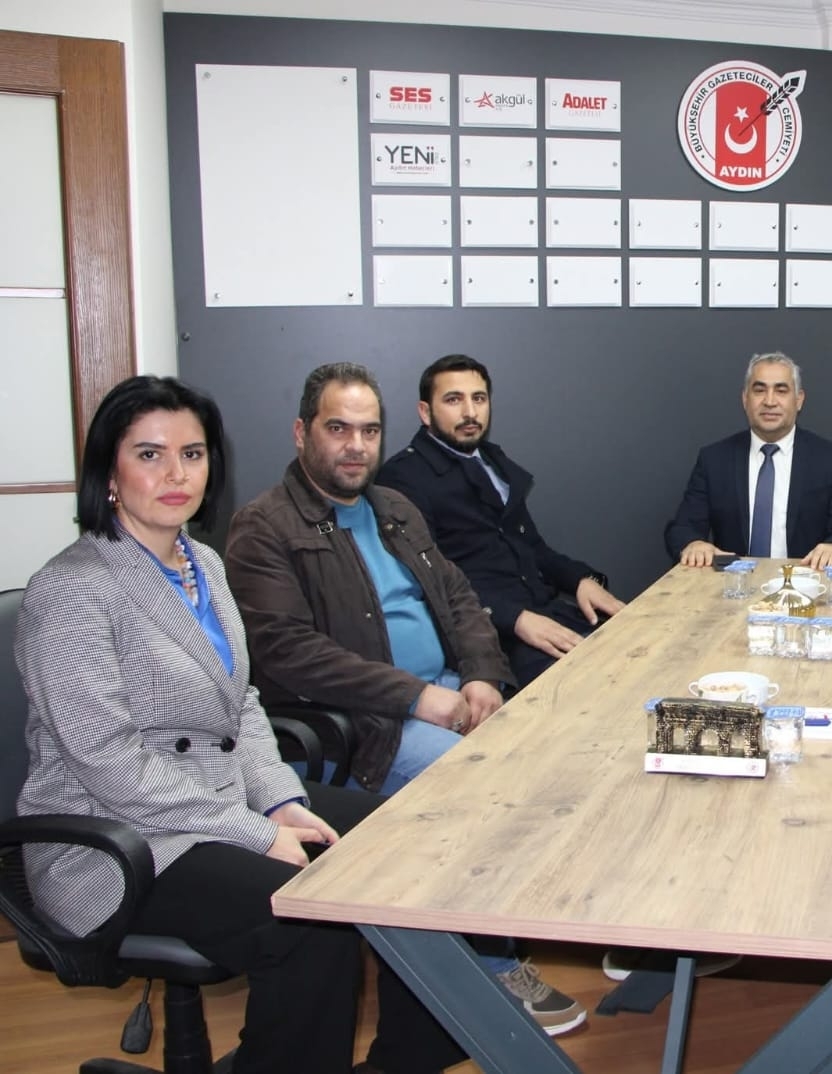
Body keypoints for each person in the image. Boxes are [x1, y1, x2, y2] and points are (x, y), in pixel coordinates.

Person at [14, 375, 464, 1074]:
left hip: (218, 802)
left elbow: (242, 705)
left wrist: (280, 799)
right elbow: (108, 763)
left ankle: (404, 1061)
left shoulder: (205, 564)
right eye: (150, 454)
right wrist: (255, 832)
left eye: (192, 454)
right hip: (119, 841)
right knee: (311, 923)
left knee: (405, 845)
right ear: (108, 473)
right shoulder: (72, 589)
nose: (176, 474)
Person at [224, 361, 584, 1035]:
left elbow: (460, 598)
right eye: (338, 429)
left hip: (445, 693)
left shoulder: (394, 509)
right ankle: (489, 969)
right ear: (302, 433)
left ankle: (508, 935)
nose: (356, 446)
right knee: (480, 788)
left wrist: (482, 675)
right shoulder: (263, 528)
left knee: (556, 755)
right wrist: (418, 697)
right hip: (359, 725)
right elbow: (290, 653)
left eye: (369, 431)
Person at [377, 353, 624, 688]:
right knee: (591, 687)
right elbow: (430, 582)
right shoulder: (402, 478)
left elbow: (532, 547)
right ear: (425, 412)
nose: (470, 412)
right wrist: (516, 619)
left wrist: (581, 580)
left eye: (479, 399)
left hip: (546, 612)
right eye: (453, 400)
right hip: (489, 639)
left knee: (641, 647)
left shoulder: (493, 460)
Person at [665, 351, 832, 568]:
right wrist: (693, 543)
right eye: (759, 390)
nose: (770, 401)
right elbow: (682, 528)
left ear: (799, 400)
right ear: (745, 399)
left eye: (781, 391)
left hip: (807, 580)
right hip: (734, 583)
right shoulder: (714, 459)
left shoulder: (831, 459)